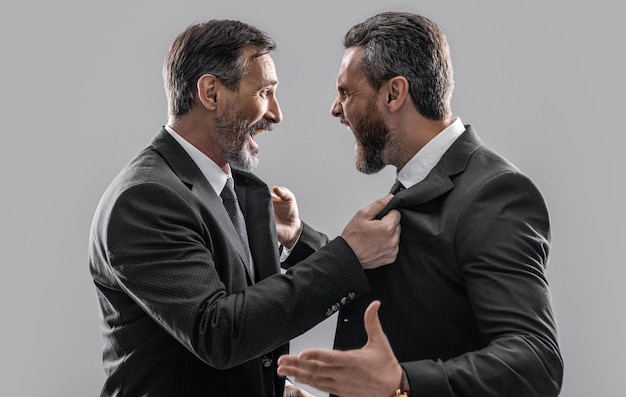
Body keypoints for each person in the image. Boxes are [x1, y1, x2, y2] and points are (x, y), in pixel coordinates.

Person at [88, 19, 401, 397]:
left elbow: (254, 316)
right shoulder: (144, 199)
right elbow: (220, 333)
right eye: (265, 92)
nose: (276, 114)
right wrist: (347, 255)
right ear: (211, 92)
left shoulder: (243, 191)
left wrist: (297, 238)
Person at [277, 11, 563, 397]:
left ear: (394, 93)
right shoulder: (417, 179)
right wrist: (298, 238)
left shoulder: (494, 192)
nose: (335, 108)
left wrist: (402, 384)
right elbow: (404, 282)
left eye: (346, 92)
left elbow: (535, 361)